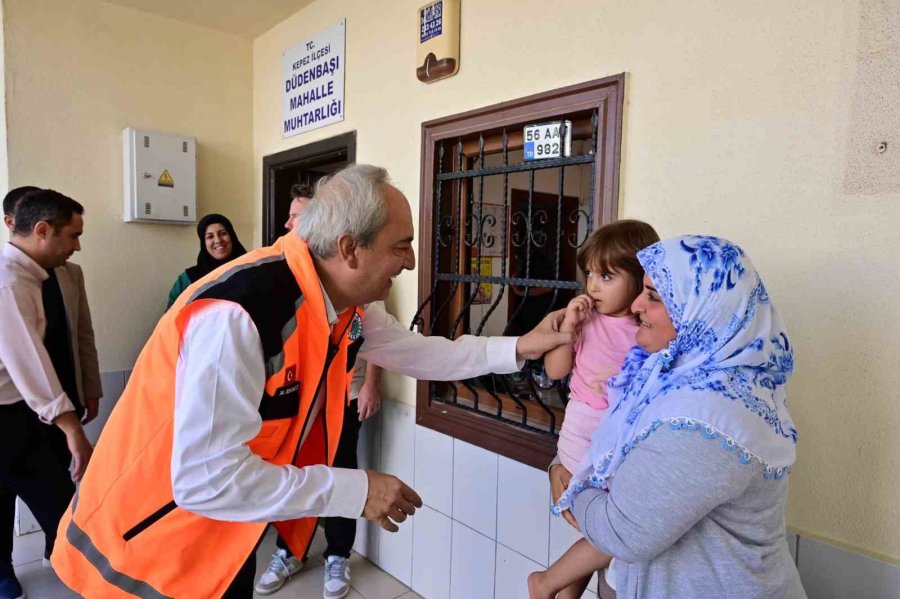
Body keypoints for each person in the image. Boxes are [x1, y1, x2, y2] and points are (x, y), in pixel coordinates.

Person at [51, 165, 572, 598]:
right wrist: (355, 489)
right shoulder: (242, 313)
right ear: (350, 249)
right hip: (145, 545)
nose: (411, 261)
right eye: (401, 245)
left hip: (221, 538)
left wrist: (523, 347)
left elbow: (420, 352)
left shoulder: (343, 306)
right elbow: (205, 480)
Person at [538, 236, 805, 599]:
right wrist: (562, 466)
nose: (635, 305)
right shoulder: (678, 377)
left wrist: (571, 483)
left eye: (654, 297)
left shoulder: (706, 419)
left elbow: (619, 531)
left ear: (701, 312)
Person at [256, 183, 386, 598]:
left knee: (341, 471)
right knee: (297, 475)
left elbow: (377, 341)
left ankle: (337, 557)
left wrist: (368, 386)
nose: (290, 223)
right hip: (297, 407)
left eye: (299, 216)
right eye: (291, 215)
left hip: (343, 401)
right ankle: (289, 550)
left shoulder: (361, 285)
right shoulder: (277, 287)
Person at [530, 220, 659, 599]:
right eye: (589, 274)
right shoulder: (585, 320)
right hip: (585, 434)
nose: (593, 285)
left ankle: (560, 591)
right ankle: (549, 583)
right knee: (615, 530)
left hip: (615, 439)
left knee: (601, 529)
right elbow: (555, 370)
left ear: (639, 280)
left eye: (607, 275)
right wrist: (569, 327)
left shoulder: (646, 327)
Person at [0, 190, 94, 599]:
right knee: (59, 502)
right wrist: (72, 429)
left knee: (60, 500)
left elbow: (78, 337)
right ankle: (92, 578)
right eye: (72, 235)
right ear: (42, 231)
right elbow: (29, 362)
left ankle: (80, 569)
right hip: (7, 417)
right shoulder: (8, 281)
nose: (76, 246)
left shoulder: (30, 275)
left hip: (23, 411)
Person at [166, 213, 247, 308]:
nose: (218, 240)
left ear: (232, 237)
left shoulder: (250, 270)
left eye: (223, 233)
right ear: (204, 243)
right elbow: (171, 315)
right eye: (210, 236)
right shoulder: (188, 279)